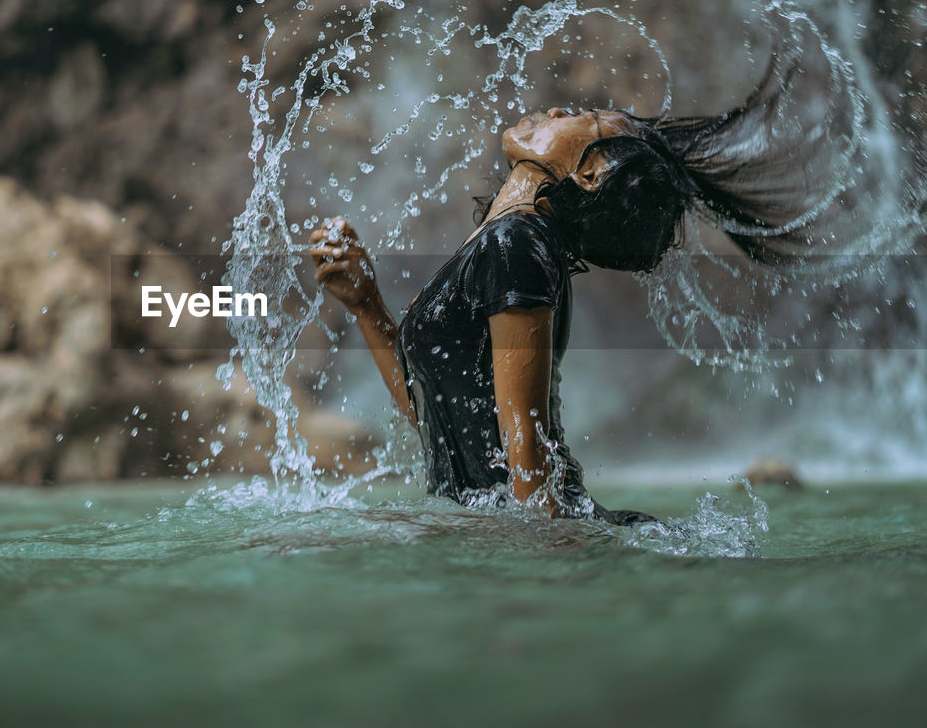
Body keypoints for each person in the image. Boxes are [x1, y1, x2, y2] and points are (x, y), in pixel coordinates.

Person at [308, 103, 742, 524]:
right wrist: (366, 304)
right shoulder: (509, 246)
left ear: (590, 175)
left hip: (524, 534)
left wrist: (536, 575)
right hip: (492, 531)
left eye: (580, 118)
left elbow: (527, 460)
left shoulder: (518, 245)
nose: (555, 112)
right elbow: (437, 415)